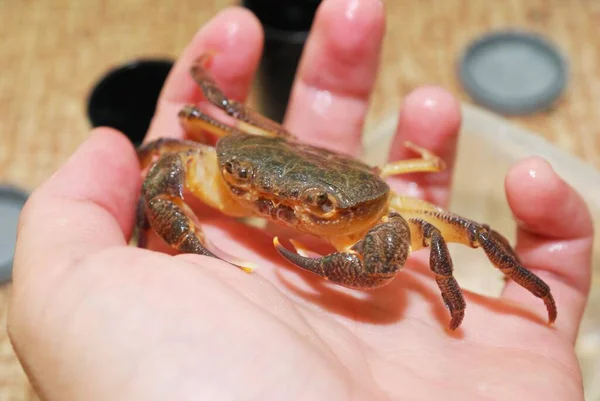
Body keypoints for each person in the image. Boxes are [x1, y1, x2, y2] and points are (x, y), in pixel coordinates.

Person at [9, 1, 594, 400]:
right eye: (243, 179)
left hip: (352, 210)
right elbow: (193, 122)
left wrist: (454, 297)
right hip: (280, 166)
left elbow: (454, 239)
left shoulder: (388, 219)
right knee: (167, 158)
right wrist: (168, 227)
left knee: (459, 234)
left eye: (312, 206)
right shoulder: (220, 165)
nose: (280, 209)